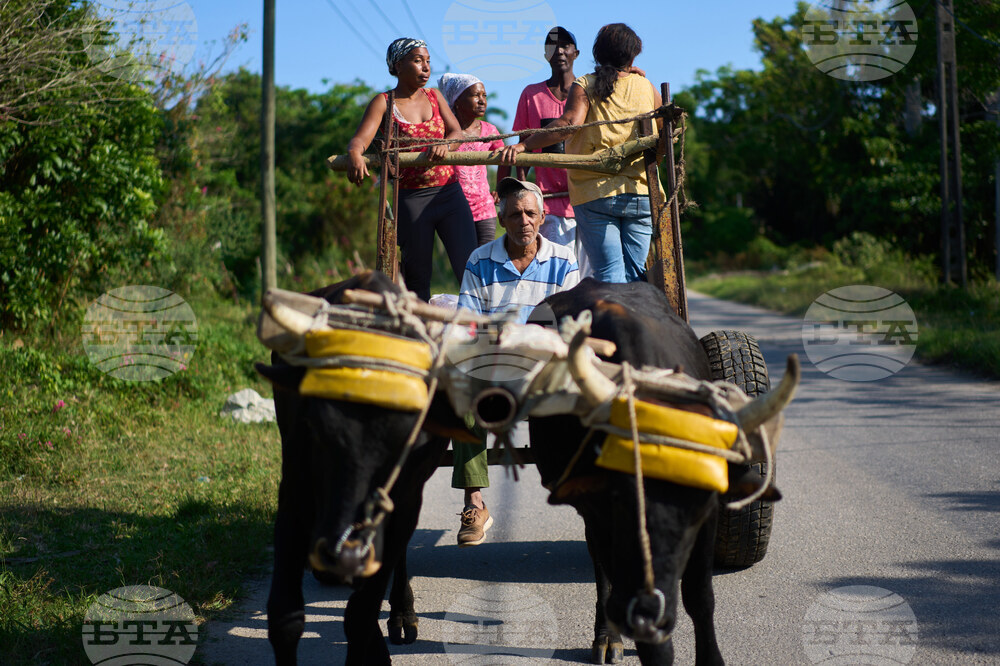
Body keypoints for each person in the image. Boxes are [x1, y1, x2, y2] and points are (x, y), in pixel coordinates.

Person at [452, 177, 581, 546]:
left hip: (545, 367)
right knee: (463, 393)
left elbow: (569, 324)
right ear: (502, 218)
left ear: (542, 218)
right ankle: (474, 503)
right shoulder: (480, 260)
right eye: (514, 214)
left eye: (529, 213)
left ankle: (593, 490)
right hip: (494, 365)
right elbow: (466, 324)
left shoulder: (563, 259)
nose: (523, 220)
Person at [497, 24, 662, 284]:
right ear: (631, 57)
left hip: (594, 194)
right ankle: (630, 320)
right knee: (634, 275)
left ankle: (610, 323)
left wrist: (526, 146)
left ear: (591, 53)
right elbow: (661, 138)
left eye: (565, 46)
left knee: (608, 275)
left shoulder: (585, 85)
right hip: (640, 195)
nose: (559, 51)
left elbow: (568, 123)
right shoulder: (647, 87)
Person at [345, 38, 477, 301]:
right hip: (411, 200)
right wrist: (354, 154)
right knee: (417, 277)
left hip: (449, 195)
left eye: (428, 62)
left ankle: (483, 329)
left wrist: (445, 145)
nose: (426, 67)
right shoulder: (384, 102)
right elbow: (361, 140)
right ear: (398, 65)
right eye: (418, 61)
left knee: (471, 268)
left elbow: (456, 132)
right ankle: (419, 335)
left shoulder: (434, 96)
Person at [499, 26, 592, 278]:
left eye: (565, 45)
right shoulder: (532, 95)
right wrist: (520, 189)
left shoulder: (589, 91)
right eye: (553, 46)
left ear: (576, 53)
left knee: (588, 278)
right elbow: (523, 146)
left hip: (587, 198)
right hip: (550, 204)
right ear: (545, 54)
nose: (559, 50)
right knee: (556, 276)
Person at [438, 73, 505, 248]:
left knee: (487, 258)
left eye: (484, 96)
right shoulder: (445, 132)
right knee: (465, 261)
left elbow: (504, 158)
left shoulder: (489, 131)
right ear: (457, 101)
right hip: (455, 207)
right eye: (475, 95)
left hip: (485, 207)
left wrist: (500, 186)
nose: (482, 101)